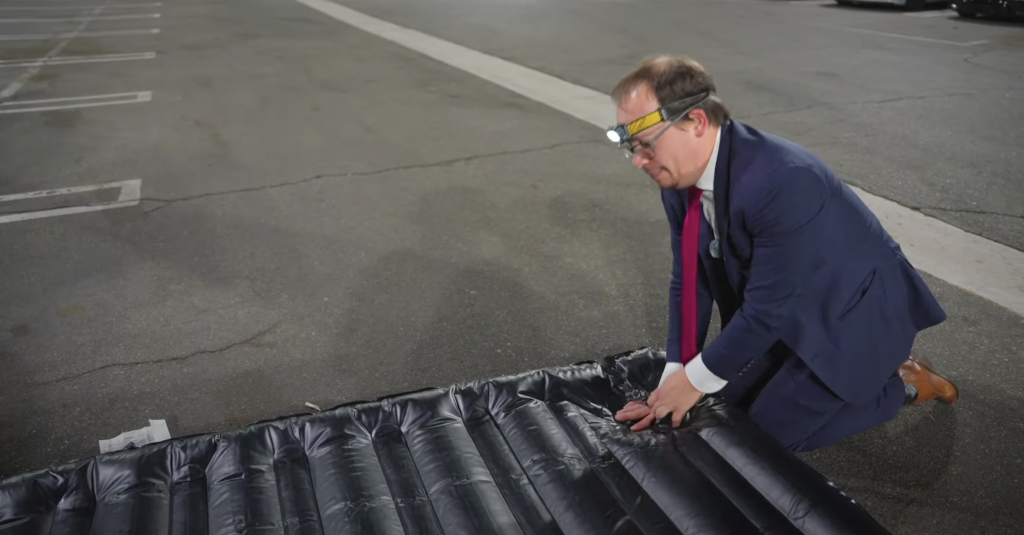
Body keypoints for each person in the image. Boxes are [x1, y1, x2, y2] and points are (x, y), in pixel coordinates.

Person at [609, 55, 959, 453]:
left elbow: (768, 307)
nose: (638, 160)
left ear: (697, 122)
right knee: (718, 409)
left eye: (646, 143)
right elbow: (690, 279)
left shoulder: (784, 178)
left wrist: (693, 381)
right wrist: (676, 375)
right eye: (631, 146)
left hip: (849, 318)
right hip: (782, 305)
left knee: (760, 443)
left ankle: (903, 385)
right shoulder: (678, 175)